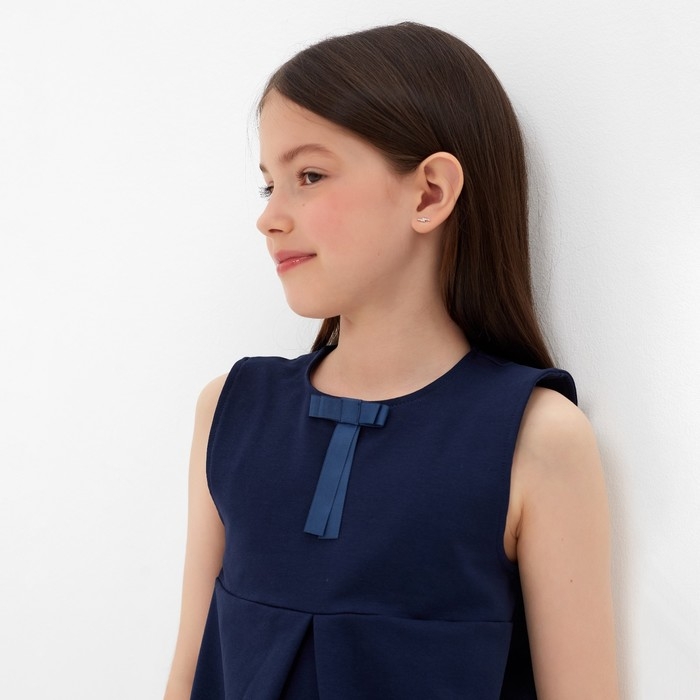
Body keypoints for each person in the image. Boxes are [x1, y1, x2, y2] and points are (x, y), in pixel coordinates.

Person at [164, 22, 618, 699]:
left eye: (309, 176)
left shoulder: (537, 438)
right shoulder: (230, 410)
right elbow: (189, 676)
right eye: (268, 186)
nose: (270, 217)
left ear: (430, 192)